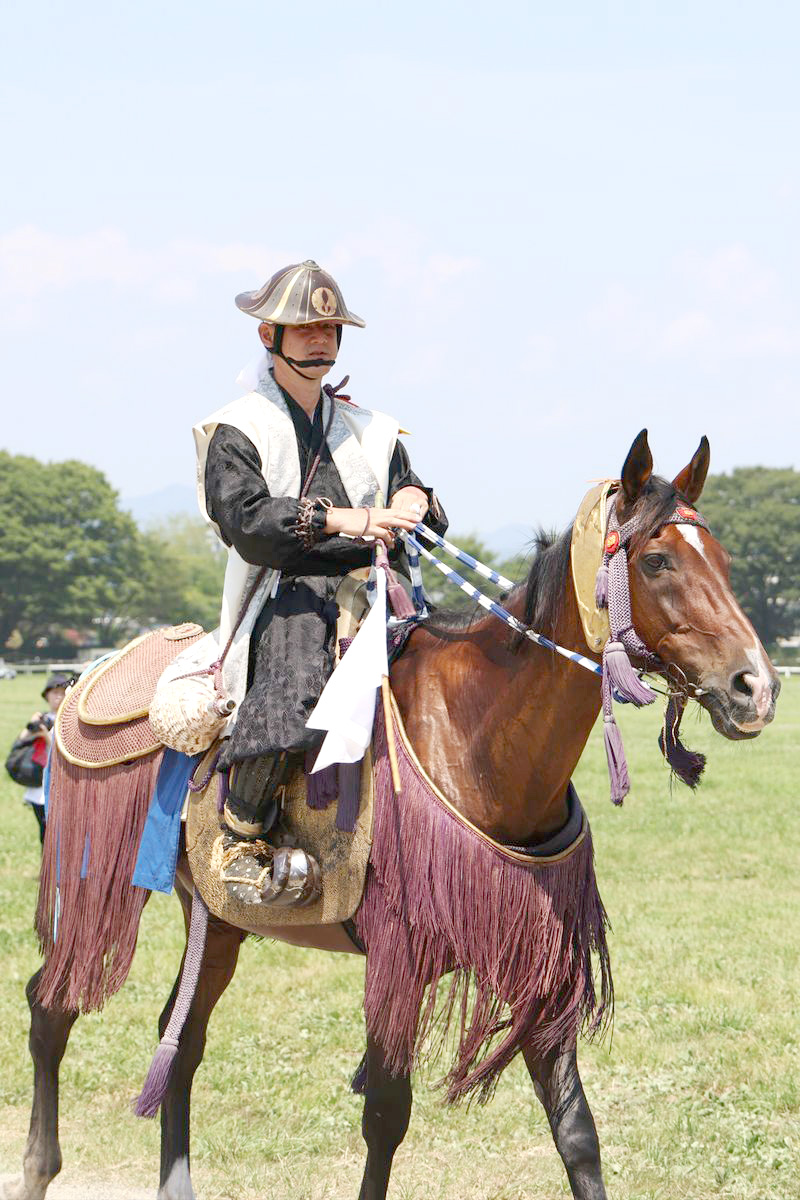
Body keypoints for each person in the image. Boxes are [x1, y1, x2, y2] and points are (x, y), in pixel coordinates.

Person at [193, 260, 447, 903]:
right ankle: (241, 835)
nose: (321, 339)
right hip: (288, 594)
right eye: (305, 327)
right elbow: (246, 521)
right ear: (267, 337)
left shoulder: (372, 427)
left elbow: (409, 489)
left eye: (331, 327)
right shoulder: (237, 428)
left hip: (382, 591)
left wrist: (414, 501)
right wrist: (349, 517)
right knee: (295, 683)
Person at [9, 673, 74, 844]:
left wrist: (46, 736)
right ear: (46, 695)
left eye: (61, 692)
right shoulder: (42, 718)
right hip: (40, 781)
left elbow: (64, 750)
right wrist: (31, 726)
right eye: (54, 693)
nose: (58, 697)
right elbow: (20, 743)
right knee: (44, 831)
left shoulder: (69, 719)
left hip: (62, 780)